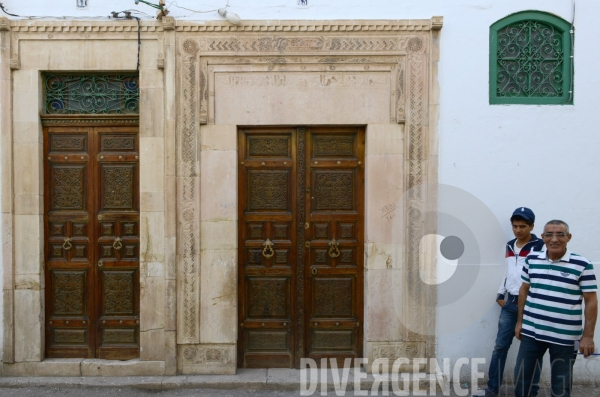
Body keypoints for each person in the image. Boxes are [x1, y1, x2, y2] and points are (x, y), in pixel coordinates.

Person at [514, 219, 598, 397]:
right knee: (522, 379)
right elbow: (524, 290)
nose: (554, 239)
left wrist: (588, 336)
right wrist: (520, 321)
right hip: (531, 332)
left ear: (568, 237)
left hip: (565, 337)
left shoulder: (582, 264)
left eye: (560, 234)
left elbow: (591, 301)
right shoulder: (531, 259)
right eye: (549, 234)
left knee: (561, 385)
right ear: (543, 237)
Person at [474, 207, 545, 397]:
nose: (518, 230)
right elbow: (508, 271)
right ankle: (492, 389)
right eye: (515, 226)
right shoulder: (510, 245)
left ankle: (529, 391)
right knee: (500, 347)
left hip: (532, 305)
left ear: (531, 226)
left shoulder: (541, 246)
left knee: (532, 350)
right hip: (510, 303)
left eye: (523, 226)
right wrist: (500, 295)